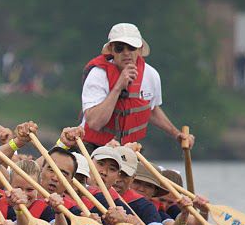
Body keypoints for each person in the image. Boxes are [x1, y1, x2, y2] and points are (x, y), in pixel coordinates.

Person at [80, 23, 194, 151]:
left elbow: (151, 109)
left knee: (164, 172)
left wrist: (176, 134)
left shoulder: (151, 75)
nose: (126, 53)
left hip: (128, 149)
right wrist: (118, 87)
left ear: (139, 50)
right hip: (93, 147)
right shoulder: (98, 75)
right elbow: (95, 123)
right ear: (111, 50)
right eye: (119, 48)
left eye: (131, 47)